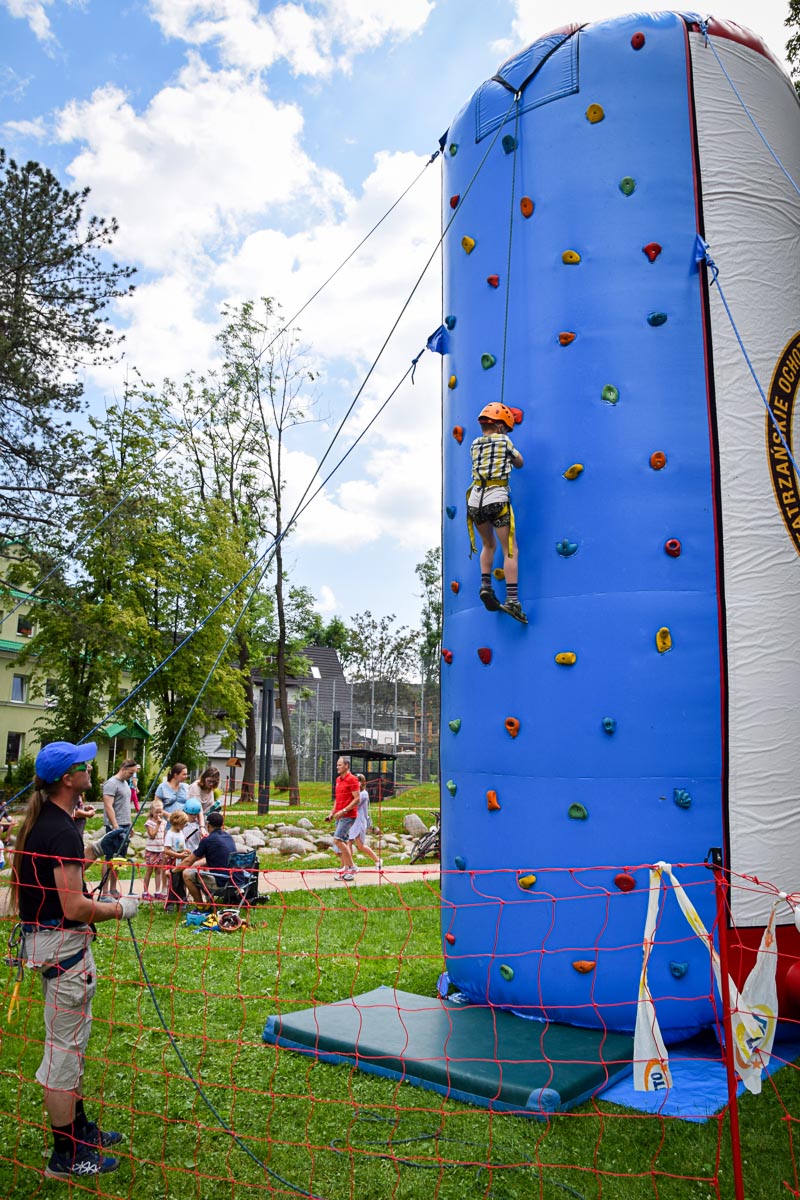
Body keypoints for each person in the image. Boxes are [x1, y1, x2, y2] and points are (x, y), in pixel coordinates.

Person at [11, 740, 139, 1179]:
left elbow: (58, 871)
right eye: (83, 765)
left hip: (51, 948)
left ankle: (81, 1131)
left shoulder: (46, 822)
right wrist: (120, 908)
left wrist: (98, 849)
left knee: (71, 1048)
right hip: (63, 952)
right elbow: (74, 906)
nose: (90, 768)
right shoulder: (60, 829)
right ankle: (66, 1156)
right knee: (64, 1056)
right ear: (68, 779)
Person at [467, 402, 526, 622]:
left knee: (488, 545)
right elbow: (519, 462)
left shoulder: (474, 444)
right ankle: (512, 600)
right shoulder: (504, 441)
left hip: (475, 502)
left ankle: (485, 586)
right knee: (510, 550)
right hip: (496, 499)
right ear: (500, 426)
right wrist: (510, 454)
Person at [178, 810, 248, 905]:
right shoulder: (228, 837)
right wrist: (195, 865)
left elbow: (188, 861)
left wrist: (172, 870)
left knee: (186, 874)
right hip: (237, 879)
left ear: (208, 825)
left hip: (223, 881)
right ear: (222, 825)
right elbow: (215, 858)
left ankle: (200, 906)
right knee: (196, 869)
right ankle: (208, 902)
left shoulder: (208, 840)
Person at [99, 759, 139, 899]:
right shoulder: (111, 783)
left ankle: (113, 889)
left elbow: (125, 806)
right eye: (130, 773)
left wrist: (129, 825)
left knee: (119, 859)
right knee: (109, 858)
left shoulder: (125, 784)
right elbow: (108, 806)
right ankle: (105, 891)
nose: (132, 776)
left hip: (125, 825)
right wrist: (115, 826)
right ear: (123, 768)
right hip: (114, 826)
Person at [326, 756, 360, 881]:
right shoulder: (338, 780)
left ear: (346, 766)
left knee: (337, 840)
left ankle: (352, 867)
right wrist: (332, 813)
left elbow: (357, 799)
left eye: (339, 765)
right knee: (343, 843)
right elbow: (338, 799)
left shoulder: (352, 779)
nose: (337, 767)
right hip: (339, 816)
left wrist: (344, 810)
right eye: (337, 765)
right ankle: (346, 869)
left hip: (348, 816)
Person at [349, 774, 382, 871]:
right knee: (351, 843)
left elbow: (355, 803)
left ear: (361, 783)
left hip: (359, 821)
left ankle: (377, 860)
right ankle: (349, 865)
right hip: (353, 821)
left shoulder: (363, 794)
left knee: (359, 845)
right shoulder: (356, 792)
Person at [142, 799, 167, 900]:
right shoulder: (149, 823)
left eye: (160, 812)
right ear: (152, 812)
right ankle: (145, 892)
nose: (158, 814)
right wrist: (158, 824)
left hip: (160, 850)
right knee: (149, 871)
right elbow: (152, 835)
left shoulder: (164, 822)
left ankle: (157, 892)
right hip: (151, 850)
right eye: (156, 812)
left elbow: (164, 835)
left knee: (158, 871)